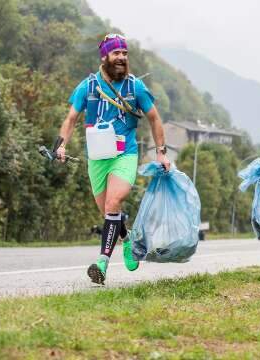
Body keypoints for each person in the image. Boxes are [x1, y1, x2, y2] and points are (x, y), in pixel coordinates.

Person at [56, 34, 171, 285]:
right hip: (97, 158)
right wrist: (61, 145)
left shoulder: (135, 87)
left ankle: (102, 265)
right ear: (104, 57)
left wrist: (161, 152)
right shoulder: (87, 86)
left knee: (113, 202)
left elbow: (154, 118)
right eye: (116, 53)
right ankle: (127, 239)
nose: (122, 58)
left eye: (125, 54)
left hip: (125, 154)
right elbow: (71, 118)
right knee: (109, 211)